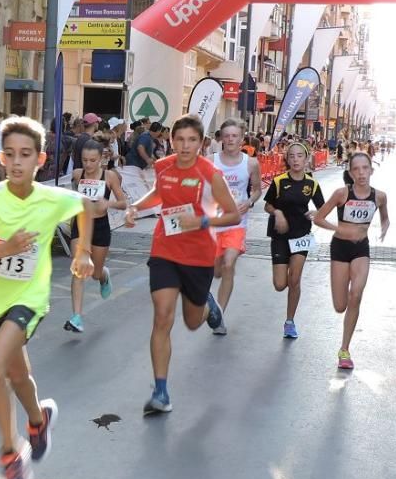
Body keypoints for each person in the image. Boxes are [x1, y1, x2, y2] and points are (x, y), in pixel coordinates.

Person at [0, 116, 95, 479]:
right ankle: (38, 419)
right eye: (9, 154)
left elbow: (86, 207)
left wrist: (83, 251)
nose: (16, 162)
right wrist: (3, 249)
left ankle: (10, 454)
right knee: (16, 376)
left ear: (40, 160)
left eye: (25, 155)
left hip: (30, 299)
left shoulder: (51, 199)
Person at [124, 115, 240, 416]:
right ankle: (161, 391)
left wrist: (202, 220)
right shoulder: (164, 167)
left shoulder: (210, 174)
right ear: (172, 141)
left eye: (192, 140)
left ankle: (208, 309)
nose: (186, 145)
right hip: (165, 247)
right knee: (162, 316)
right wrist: (136, 207)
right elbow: (160, 194)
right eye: (180, 140)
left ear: (201, 143)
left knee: (191, 321)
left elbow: (232, 215)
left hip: (199, 254)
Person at [313, 152, 389, 369]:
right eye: (356, 169)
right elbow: (319, 218)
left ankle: (344, 350)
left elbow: (385, 215)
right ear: (350, 172)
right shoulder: (341, 194)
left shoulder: (380, 196)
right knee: (340, 306)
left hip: (361, 249)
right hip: (340, 248)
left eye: (365, 168)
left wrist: (384, 226)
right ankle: (345, 295)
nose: (361, 173)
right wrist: (338, 228)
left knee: (356, 293)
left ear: (371, 170)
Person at [263, 142, 325, 339]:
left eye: (300, 156)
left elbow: (323, 208)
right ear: (287, 160)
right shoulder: (279, 181)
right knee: (280, 284)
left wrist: (316, 212)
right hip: (280, 235)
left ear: (306, 159)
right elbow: (267, 206)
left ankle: (289, 322)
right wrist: (278, 212)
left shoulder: (311, 183)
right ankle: (288, 290)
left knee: (295, 279)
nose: (296, 159)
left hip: (301, 235)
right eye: (292, 156)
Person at [64, 139, 127, 333]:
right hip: (80, 226)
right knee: (78, 268)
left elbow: (124, 202)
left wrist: (108, 203)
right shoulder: (77, 175)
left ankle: (103, 276)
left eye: (93, 160)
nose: (88, 165)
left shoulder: (110, 177)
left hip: (100, 226)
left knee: (95, 273)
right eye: (84, 160)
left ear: (101, 159)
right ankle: (76, 317)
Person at [210, 118, 262, 335]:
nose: (230, 139)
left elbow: (258, 190)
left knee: (229, 264)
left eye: (235, 136)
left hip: (236, 222)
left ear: (242, 139)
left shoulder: (251, 163)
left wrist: (249, 202)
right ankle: (217, 270)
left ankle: (219, 316)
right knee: (216, 271)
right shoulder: (210, 161)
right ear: (221, 138)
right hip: (213, 222)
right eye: (227, 135)